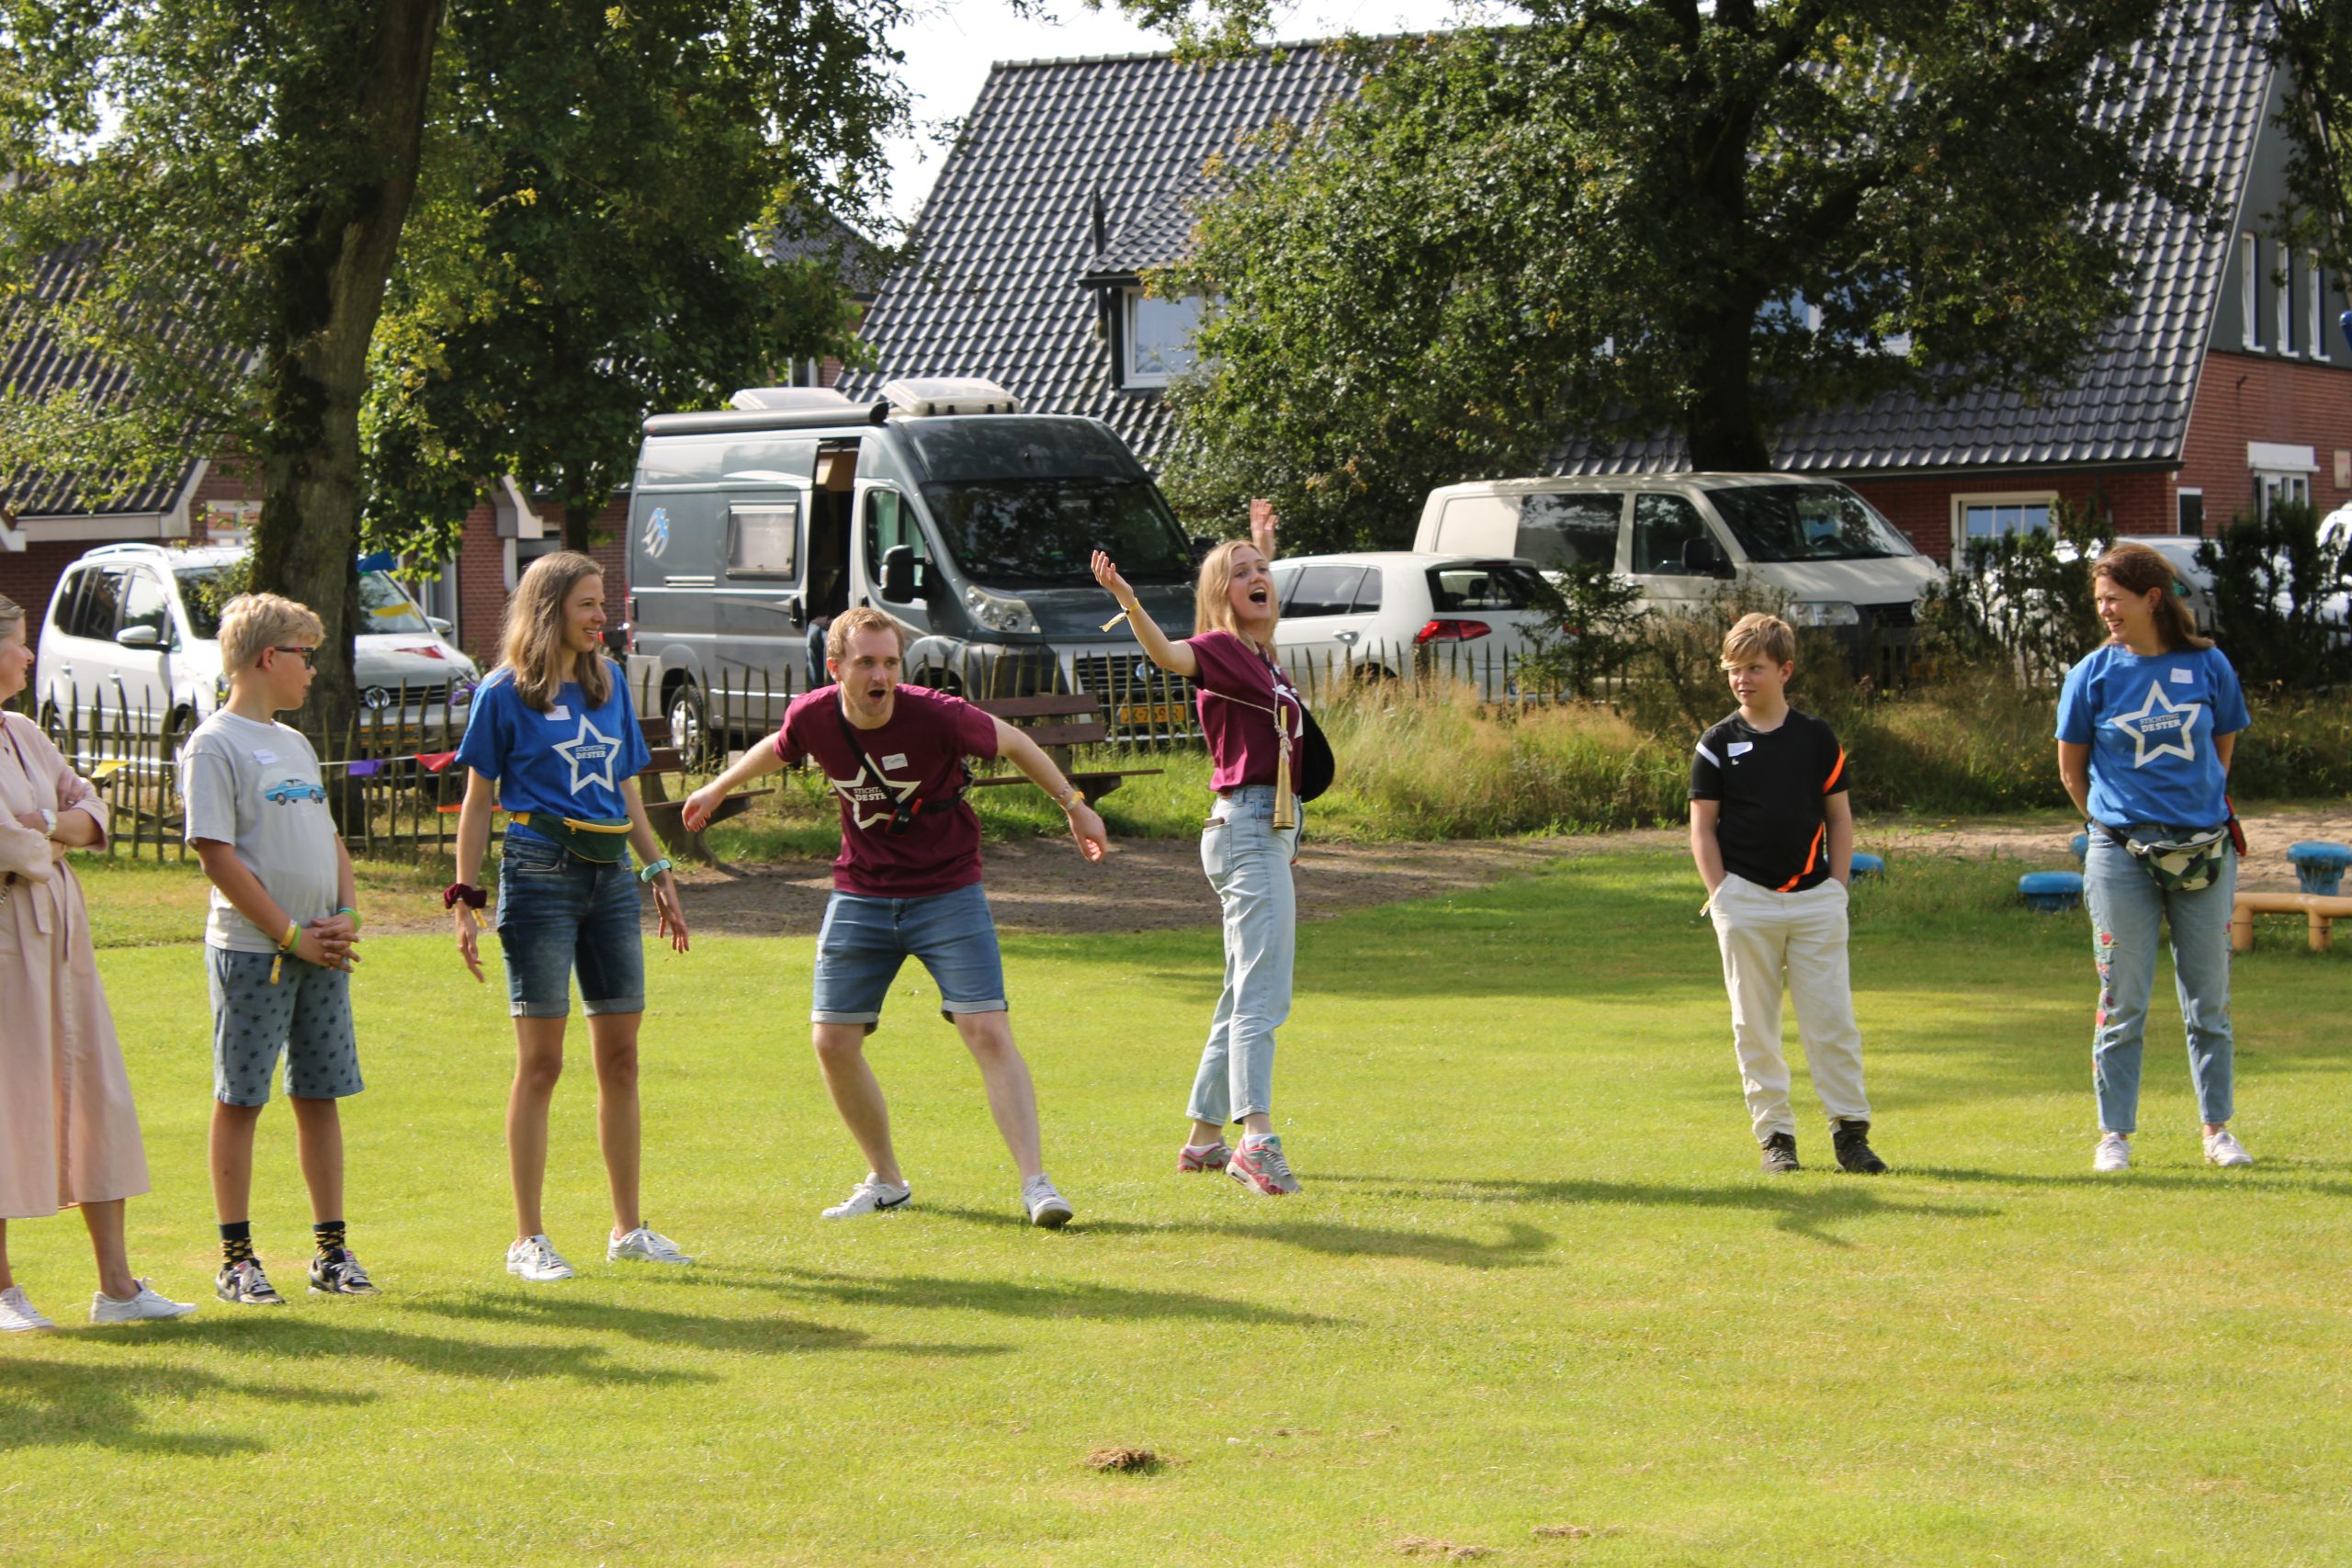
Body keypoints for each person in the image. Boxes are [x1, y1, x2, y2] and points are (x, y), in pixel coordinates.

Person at [681, 607, 1107, 1227]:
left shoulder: (936, 711)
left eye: (889, 662)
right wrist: (717, 787)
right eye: (866, 662)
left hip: (948, 889)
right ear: (836, 668)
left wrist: (1074, 805)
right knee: (831, 1039)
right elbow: (779, 746)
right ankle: (886, 1179)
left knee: (986, 1029)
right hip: (862, 892)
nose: (881, 675)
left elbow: (1013, 741)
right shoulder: (814, 715)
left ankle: (1036, 1184)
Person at [449, 550, 695, 1281]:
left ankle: (628, 1228)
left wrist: (657, 871)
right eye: (589, 604)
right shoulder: (501, 693)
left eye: (603, 605)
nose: (602, 617)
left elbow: (625, 787)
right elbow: (475, 803)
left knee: (621, 1057)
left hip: (611, 879)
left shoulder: (609, 682)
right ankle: (528, 1238)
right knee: (543, 1062)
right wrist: (465, 900)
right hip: (538, 873)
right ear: (549, 607)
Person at [1090, 526, 1312, 1196]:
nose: (1258, 575)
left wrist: (1261, 542)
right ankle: (1256, 1141)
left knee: (1242, 988)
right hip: (1245, 826)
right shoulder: (1217, 648)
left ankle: (1205, 1141)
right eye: (1241, 571)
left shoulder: (1263, 656)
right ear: (1220, 594)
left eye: (1263, 568)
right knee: (1263, 994)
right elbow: (1164, 653)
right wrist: (1127, 599)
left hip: (1260, 828)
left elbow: (1264, 609)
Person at [0, 592, 196, 1329]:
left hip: (61, 932)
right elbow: (5, 843)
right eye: (19, 643)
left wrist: (47, 826)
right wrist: (49, 837)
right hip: (7, 932)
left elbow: (91, 809)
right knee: (8, 1096)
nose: (27, 654)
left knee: (95, 1088)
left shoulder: (21, 731)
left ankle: (117, 1285)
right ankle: (2, 1290)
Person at [183, 593, 376, 1304]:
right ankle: (237, 1258)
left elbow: (328, 840)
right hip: (254, 952)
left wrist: (345, 912)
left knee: (320, 1094)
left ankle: (331, 1251)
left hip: (321, 949)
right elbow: (216, 854)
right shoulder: (215, 743)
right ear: (269, 657)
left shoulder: (294, 744)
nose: (313, 670)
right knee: (242, 1099)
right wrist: (289, 933)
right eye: (305, 654)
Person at [2056, 541, 2253, 1173]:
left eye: (2114, 598)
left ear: (2152, 598)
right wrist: (2118, 828)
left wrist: (2192, 815)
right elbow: (2072, 770)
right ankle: (2114, 1134)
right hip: (2120, 856)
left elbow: (2220, 752)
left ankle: (2217, 1129)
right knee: (2123, 997)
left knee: (2210, 999)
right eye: (2099, 600)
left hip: (2203, 851)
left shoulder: (2210, 665)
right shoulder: (2090, 674)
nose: (2106, 609)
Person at [1688, 612, 1887, 1176]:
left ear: (1785, 670)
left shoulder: (1817, 738)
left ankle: (1851, 1134)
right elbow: (1702, 827)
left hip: (1815, 900)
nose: (1742, 679)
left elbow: (1839, 818)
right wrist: (1721, 894)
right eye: (1733, 669)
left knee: (1833, 1023)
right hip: (1744, 899)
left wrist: (1836, 888)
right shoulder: (1717, 744)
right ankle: (1776, 1138)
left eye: (1754, 668)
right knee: (1754, 1025)